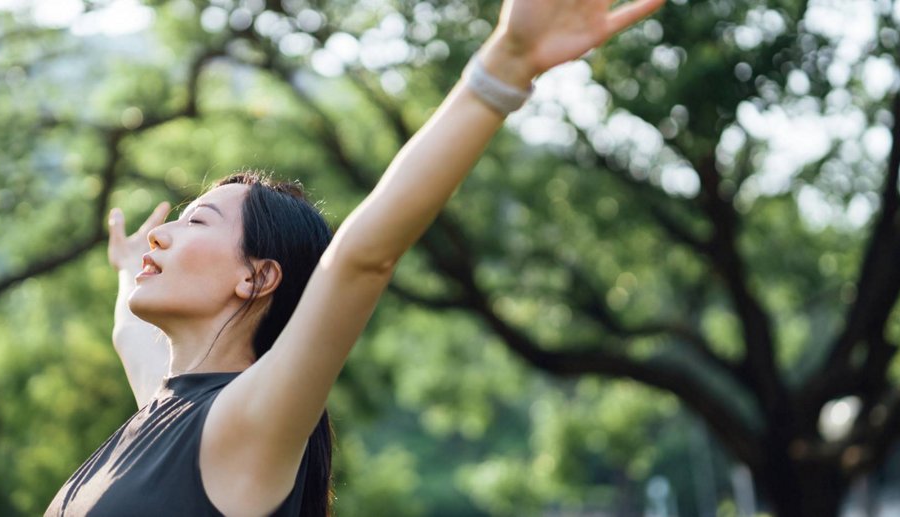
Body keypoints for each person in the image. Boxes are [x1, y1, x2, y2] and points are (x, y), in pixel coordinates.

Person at [45, 0, 666, 514]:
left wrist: (506, 65)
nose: (163, 234)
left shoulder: (243, 425)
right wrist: (129, 265)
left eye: (196, 221)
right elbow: (129, 329)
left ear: (257, 277)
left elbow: (362, 258)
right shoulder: (163, 401)